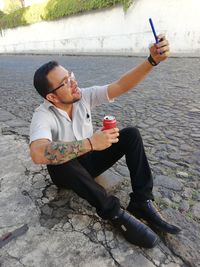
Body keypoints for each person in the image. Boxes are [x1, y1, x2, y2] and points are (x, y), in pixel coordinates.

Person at [29, 34, 181, 249]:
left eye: (70, 75)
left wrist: (151, 61)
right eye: (65, 83)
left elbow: (120, 86)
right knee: (62, 161)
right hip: (67, 173)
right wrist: (90, 143)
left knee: (131, 135)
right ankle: (115, 214)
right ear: (51, 97)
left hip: (90, 161)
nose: (73, 83)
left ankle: (141, 201)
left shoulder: (82, 96)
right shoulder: (43, 115)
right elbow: (37, 152)